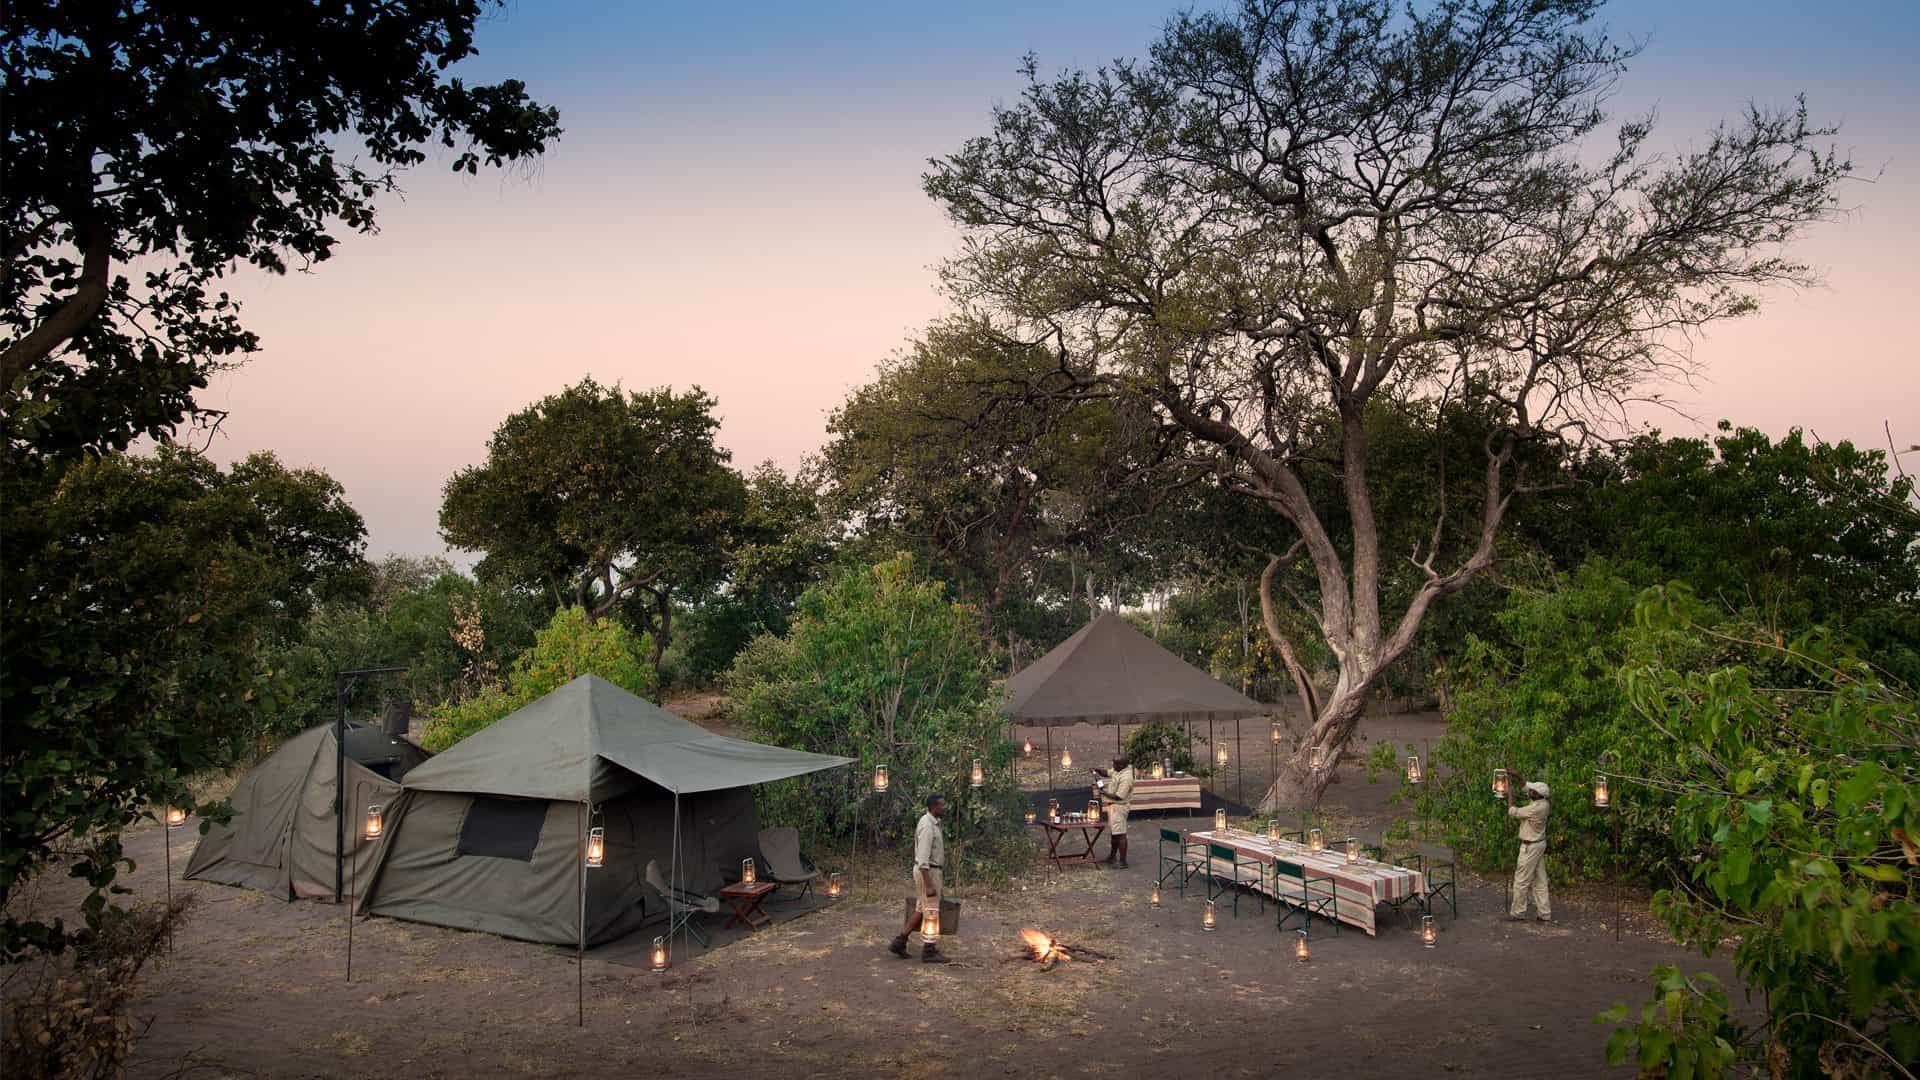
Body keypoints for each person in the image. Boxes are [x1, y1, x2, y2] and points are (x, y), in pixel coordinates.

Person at [888, 793, 950, 963]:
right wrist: (929, 884)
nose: (945, 808)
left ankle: (899, 942)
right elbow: (923, 860)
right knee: (931, 910)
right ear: (934, 807)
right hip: (927, 871)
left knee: (922, 908)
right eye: (942, 805)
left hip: (930, 870)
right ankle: (929, 950)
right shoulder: (927, 826)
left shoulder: (932, 823)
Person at [1504, 775, 1552, 923]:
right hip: (1539, 844)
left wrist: (1509, 793)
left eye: (1532, 790)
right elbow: (1525, 785)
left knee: (1521, 880)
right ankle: (1544, 913)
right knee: (1540, 880)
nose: (1529, 791)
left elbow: (1513, 811)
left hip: (1530, 847)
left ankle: (1518, 912)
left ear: (1537, 794)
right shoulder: (1543, 802)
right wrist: (1515, 774)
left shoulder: (1535, 808)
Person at [1093, 757, 1135, 868]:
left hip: (1119, 807)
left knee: (1121, 834)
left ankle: (1123, 862)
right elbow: (1107, 773)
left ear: (1121, 765)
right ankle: (1112, 857)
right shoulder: (1119, 769)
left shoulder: (1126, 778)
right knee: (1114, 833)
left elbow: (1119, 797)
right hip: (1113, 806)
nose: (1113, 766)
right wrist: (1097, 770)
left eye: (1115, 764)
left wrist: (1103, 793)